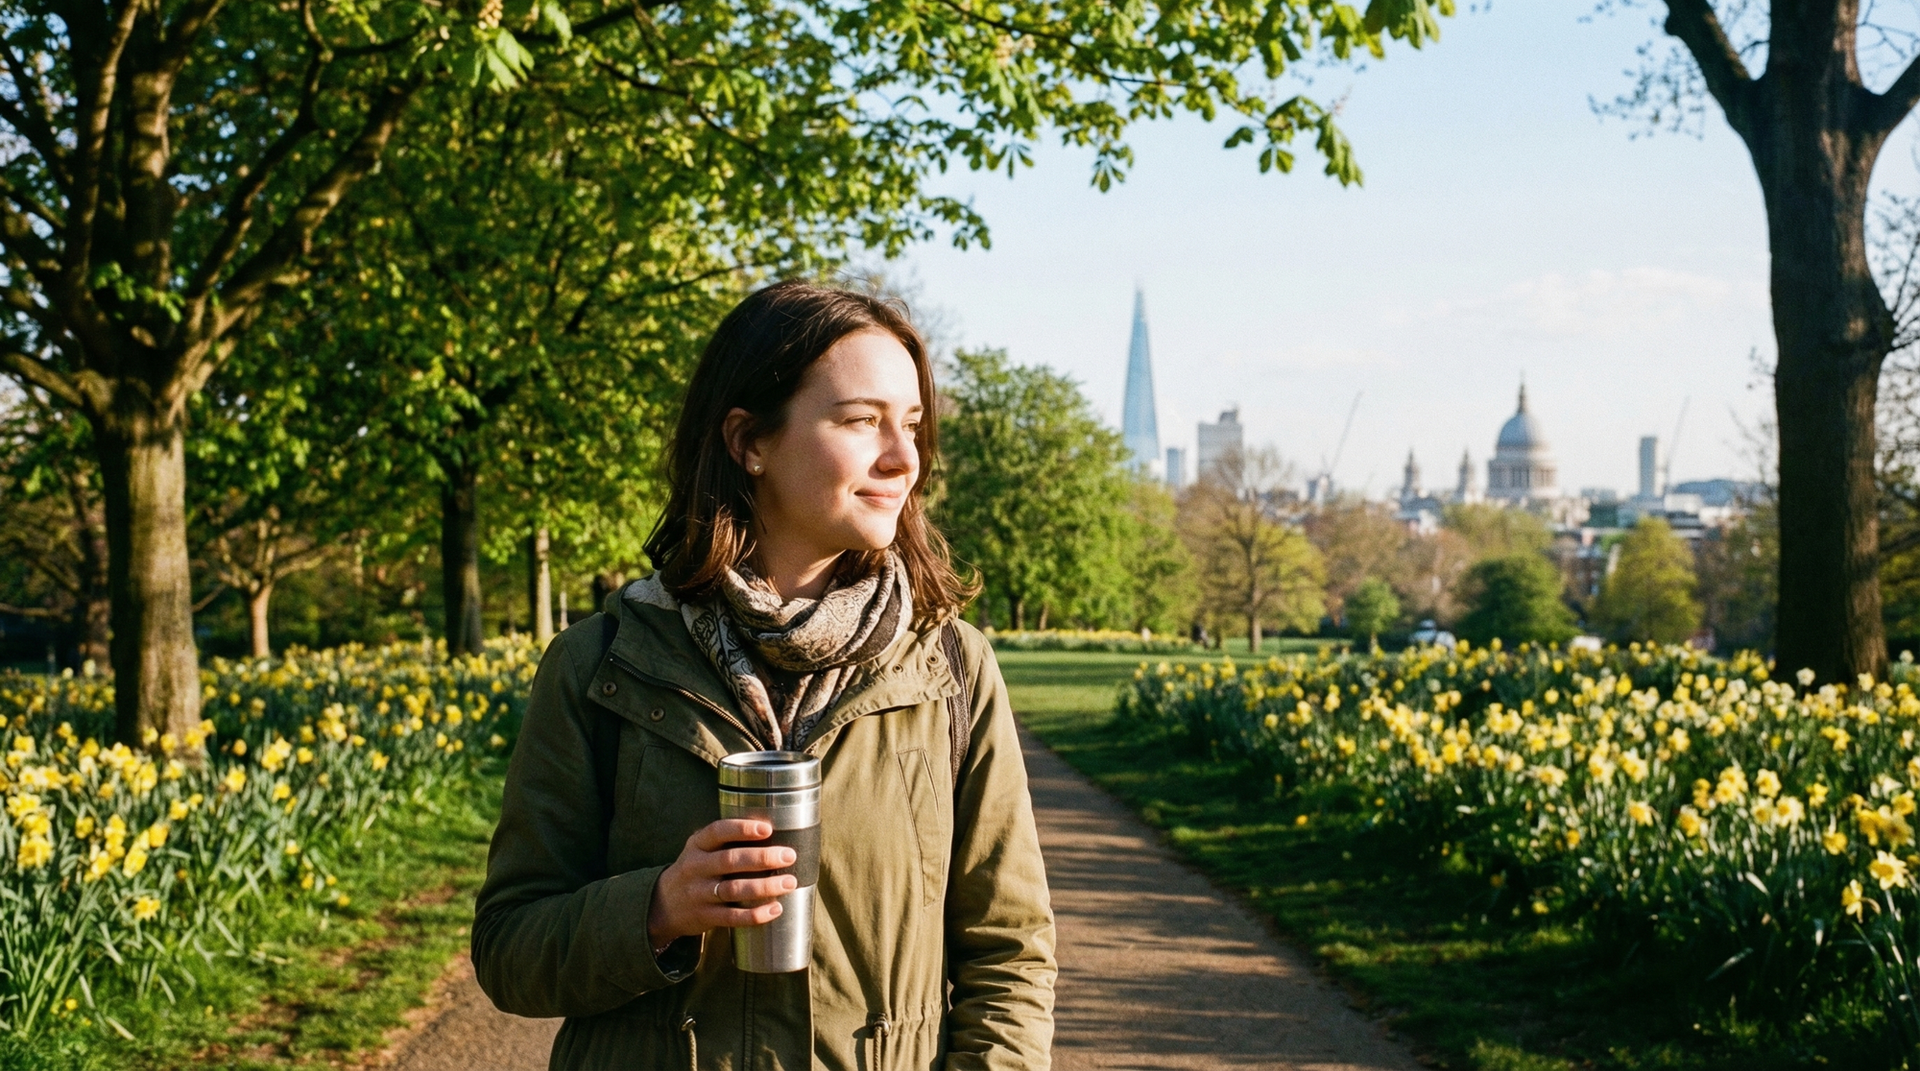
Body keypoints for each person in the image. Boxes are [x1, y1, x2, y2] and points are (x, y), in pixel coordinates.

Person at [471, 281, 1057, 1070]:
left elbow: (1011, 958)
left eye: (912, 425)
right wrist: (657, 909)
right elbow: (510, 946)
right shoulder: (598, 664)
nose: (904, 458)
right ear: (750, 440)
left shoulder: (951, 666)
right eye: (862, 421)